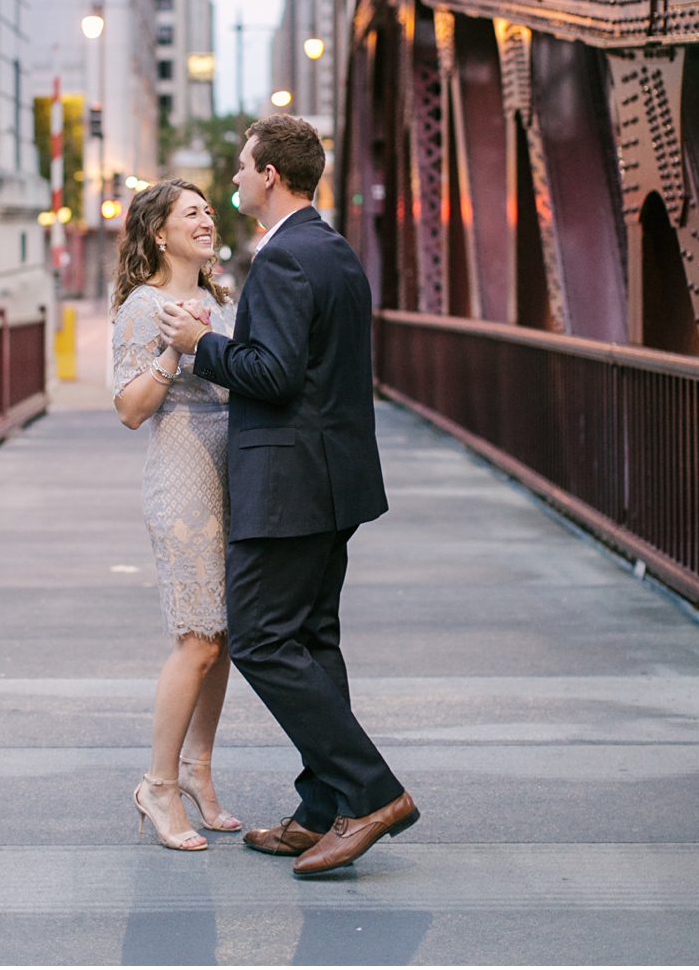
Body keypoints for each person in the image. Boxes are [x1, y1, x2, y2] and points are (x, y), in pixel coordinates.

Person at [159, 114, 419, 876]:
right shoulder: (334, 251)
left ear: (270, 174)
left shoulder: (281, 260)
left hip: (287, 486)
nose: (236, 179)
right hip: (334, 481)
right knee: (312, 639)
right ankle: (322, 808)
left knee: (263, 638)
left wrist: (200, 345)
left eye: (243, 167)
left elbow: (273, 375)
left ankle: (372, 793)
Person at [110, 180, 242, 852]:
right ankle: (158, 785)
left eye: (209, 210)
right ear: (160, 234)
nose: (207, 218)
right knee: (197, 637)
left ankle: (198, 769)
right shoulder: (143, 306)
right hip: (182, 474)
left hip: (233, 473)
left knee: (222, 636)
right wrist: (172, 351)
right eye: (192, 212)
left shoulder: (224, 300)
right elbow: (130, 410)